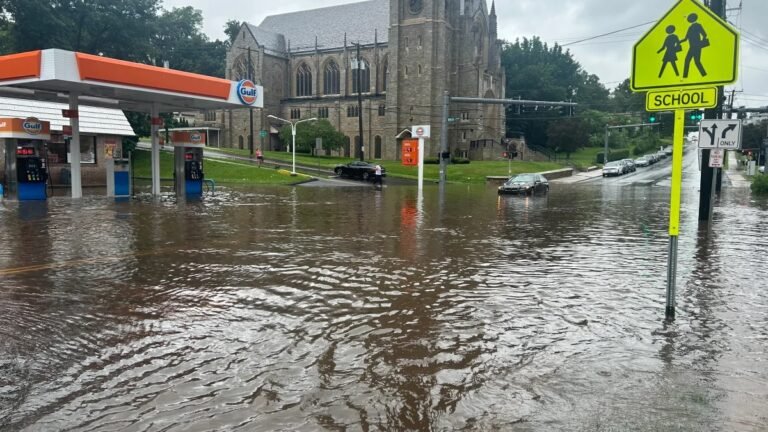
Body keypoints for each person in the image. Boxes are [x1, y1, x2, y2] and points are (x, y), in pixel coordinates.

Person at [681, 13, 708, 78]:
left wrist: (701, 42)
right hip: (692, 47)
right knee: (688, 60)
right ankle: (685, 76)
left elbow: (704, 34)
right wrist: (679, 42)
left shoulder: (698, 25)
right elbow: (686, 38)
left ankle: (704, 75)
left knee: (696, 61)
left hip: (697, 46)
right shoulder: (690, 28)